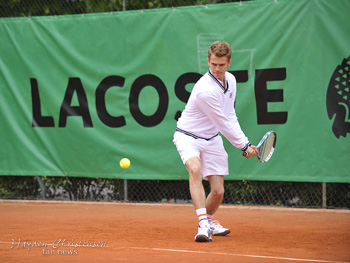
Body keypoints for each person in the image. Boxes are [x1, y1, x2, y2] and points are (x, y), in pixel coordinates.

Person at [173, 41, 258, 242]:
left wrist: (244, 142)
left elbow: (230, 115)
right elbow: (222, 122)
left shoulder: (232, 81)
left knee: (218, 191)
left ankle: (209, 221)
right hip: (187, 136)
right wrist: (244, 146)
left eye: (221, 64)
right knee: (195, 169)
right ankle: (203, 225)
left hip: (212, 139)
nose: (217, 69)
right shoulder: (205, 90)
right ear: (208, 62)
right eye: (213, 64)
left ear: (229, 62)